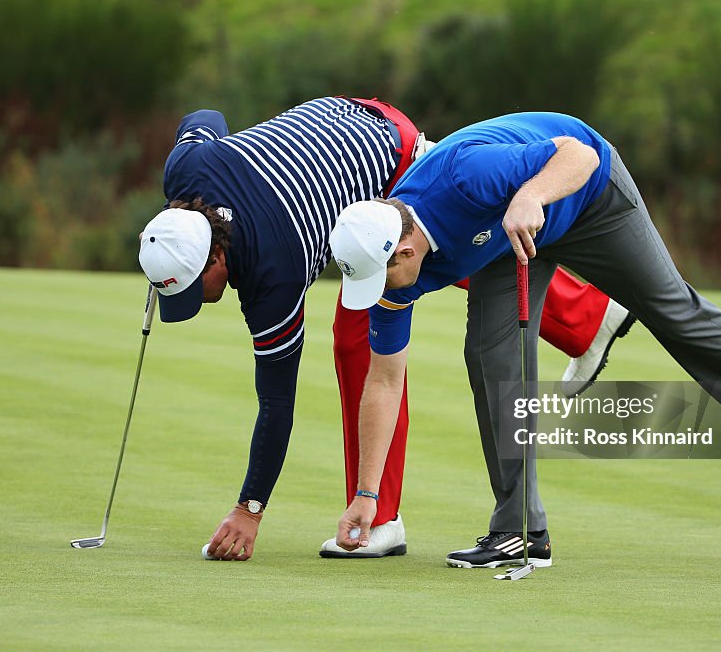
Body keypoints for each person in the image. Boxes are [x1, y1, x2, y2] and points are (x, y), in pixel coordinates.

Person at [136, 97, 633, 561]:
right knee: (434, 262)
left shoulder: (275, 273)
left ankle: (379, 517)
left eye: (193, 286)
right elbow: (206, 119)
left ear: (216, 254)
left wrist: (250, 508)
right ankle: (587, 317)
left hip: (391, 156)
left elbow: (276, 401)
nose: (195, 301)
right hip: (347, 120)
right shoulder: (185, 174)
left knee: (365, 330)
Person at [330, 110, 721, 569]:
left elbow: (579, 155)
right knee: (489, 357)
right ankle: (519, 530)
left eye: (381, 278)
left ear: (406, 251)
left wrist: (531, 195)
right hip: (509, 237)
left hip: (586, 199)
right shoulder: (393, 272)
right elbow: (385, 381)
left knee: (672, 311)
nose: (380, 292)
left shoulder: (464, 175)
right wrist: (367, 495)